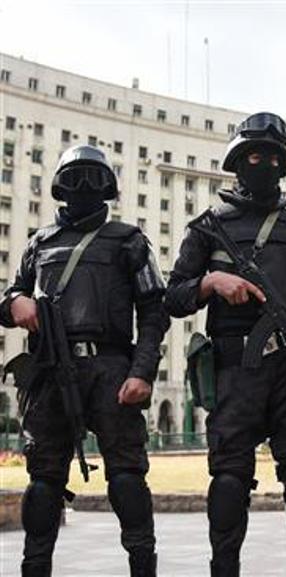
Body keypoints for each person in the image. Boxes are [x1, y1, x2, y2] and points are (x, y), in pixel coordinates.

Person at [164, 112, 286, 577]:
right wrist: (211, 282)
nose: (262, 164)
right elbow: (174, 297)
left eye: (272, 157)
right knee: (227, 481)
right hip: (232, 371)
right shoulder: (206, 228)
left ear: (283, 166)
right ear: (237, 161)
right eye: (253, 155)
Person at [0, 145, 169, 576]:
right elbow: (10, 297)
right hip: (51, 370)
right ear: (60, 186)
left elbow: (155, 311)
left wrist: (143, 372)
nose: (82, 189)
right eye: (74, 179)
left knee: (127, 477)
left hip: (112, 369)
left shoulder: (129, 241)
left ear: (107, 187)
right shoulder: (39, 244)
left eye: (92, 179)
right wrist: (16, 302)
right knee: (43, 481)